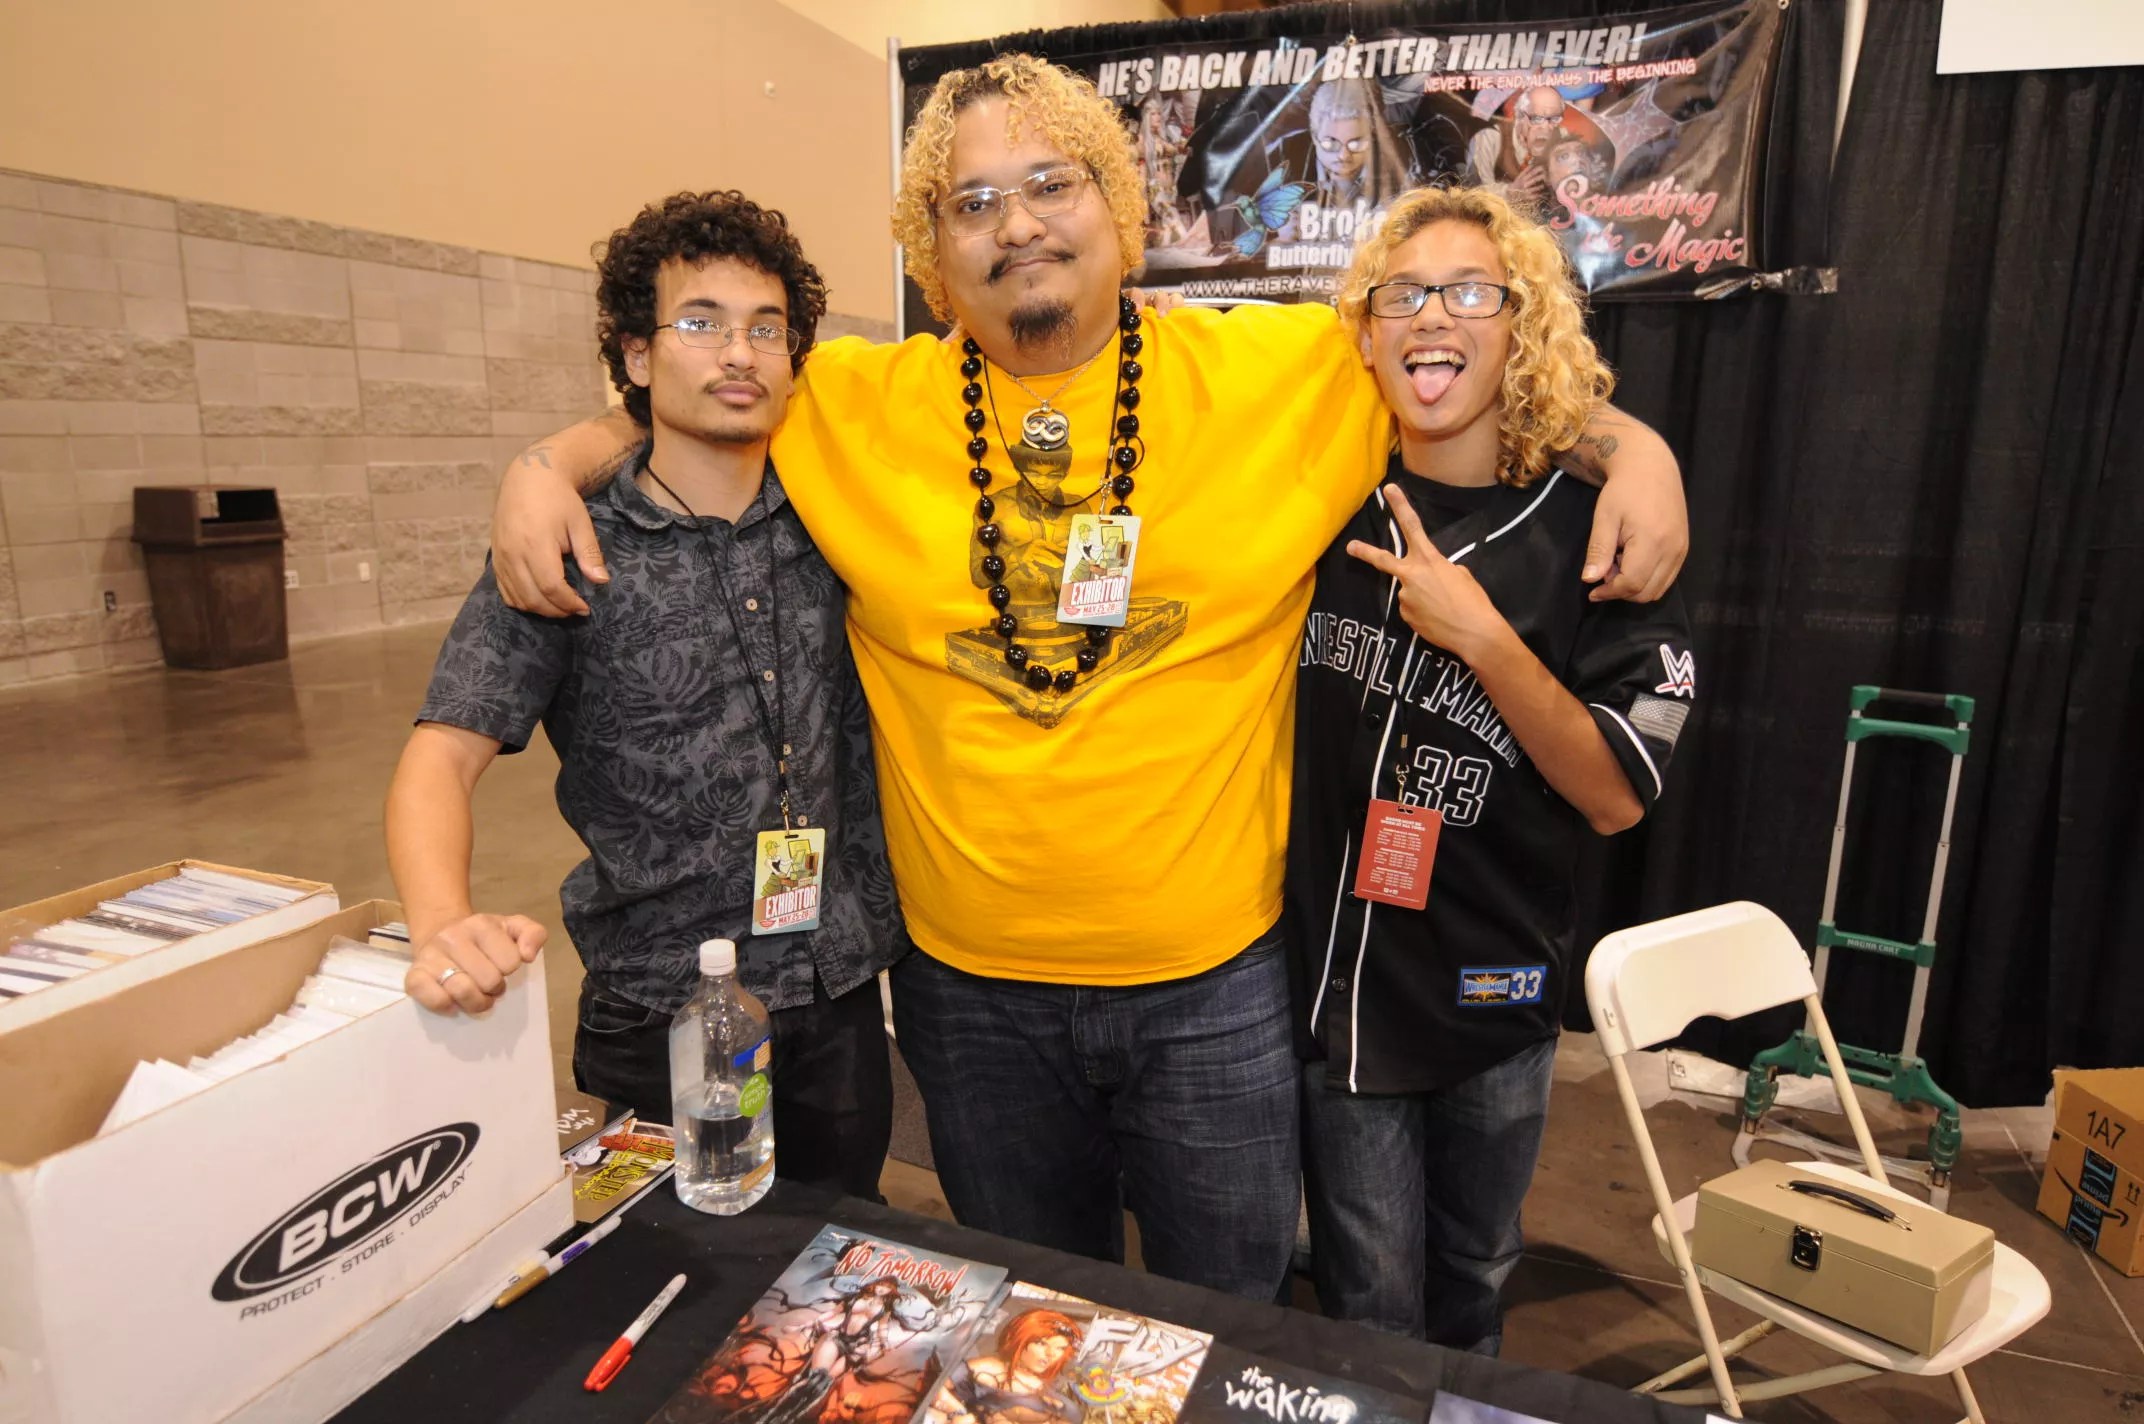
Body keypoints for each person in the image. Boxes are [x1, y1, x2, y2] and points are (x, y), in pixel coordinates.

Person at [483, 54, 1689, 1301]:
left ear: (1120, 210)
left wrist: (1629, 450)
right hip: (968, 995)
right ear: (931, 252)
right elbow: (697, 393)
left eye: (1050, 184)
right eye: (971, 202)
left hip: (1211, 987)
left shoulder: (1287, 371)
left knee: (1225, 1321)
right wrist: (546, 464)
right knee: (1026, 1319)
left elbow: (1466, 355)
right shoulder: (842, 399)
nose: (1015, 223)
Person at [382, 191, 902, 1201]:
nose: (738, 353)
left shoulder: (838, 517)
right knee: (675, 1266)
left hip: (836, 995)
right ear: (634, 354)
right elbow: (440, 755)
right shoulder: (571, 547)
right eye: (700, 323)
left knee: (842, 1246)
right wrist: (441, 921)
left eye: (766, 329)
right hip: (662, 1004)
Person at [1286, 185, 1696, 1352]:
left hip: (1492, 995)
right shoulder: (1314, 506)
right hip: (1341, 998)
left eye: (1471, 291)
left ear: (1522, 326)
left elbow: (1614, 795)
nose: (1433, 316)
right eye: (1404, 293)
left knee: (1470, 1286)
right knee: (1368, 1304)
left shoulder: (1595, 530)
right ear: (1366, 331)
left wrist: (1482, 638)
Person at [929, 1309, 1086, 1424]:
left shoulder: (1050, 1391)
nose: (1050, 1354)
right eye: (1041, 1343)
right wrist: (959, 1413)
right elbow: (932, 1387)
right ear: (1020, 1339)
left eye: (1060, 1348)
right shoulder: (990, 1368)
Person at [1467, 85, 1568, 213]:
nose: (1546, 127)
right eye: (1536, 119)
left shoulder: (1563, 137)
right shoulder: (1491, 137)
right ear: (1519, 115)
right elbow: (1473, 192)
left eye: (1554, 119)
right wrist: (1510, 193)